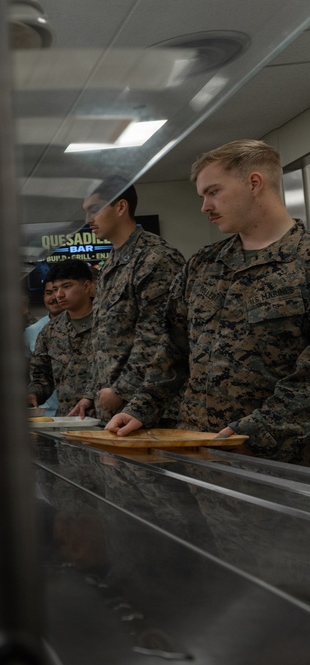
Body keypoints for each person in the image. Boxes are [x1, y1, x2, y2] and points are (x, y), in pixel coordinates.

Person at [108, 140, 310, 465]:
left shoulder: (304, 260)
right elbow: (173, 349)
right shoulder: (203, 264)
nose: (204, 207)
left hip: (277, 460)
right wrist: (142, 407)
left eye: (213, 192)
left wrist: (256, 433)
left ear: (254, 183)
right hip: (201, 455)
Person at [68, 176, 185, 421]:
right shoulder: (111, 262)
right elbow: (105, 339)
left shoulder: (155, 258)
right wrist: (91, 395)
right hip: (113, 407)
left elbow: (159, 337)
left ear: (121, 207)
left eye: (94, 210)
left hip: (150, 410)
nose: (88, 220)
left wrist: (123, 389)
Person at [27, 260, 95, 416]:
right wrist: (33, 395)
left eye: (67, 286)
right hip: (68, 420)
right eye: (55, 289)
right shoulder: (50, 330)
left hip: (109, 419)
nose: (59, 295)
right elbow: (42, 376)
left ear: (86, 286)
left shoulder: (111, 321)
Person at [23, 279, 62, 416]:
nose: (54, 297)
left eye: (57, 292)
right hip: (46, 412)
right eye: (49, 293)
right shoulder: (33, 331)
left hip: (84, 412)